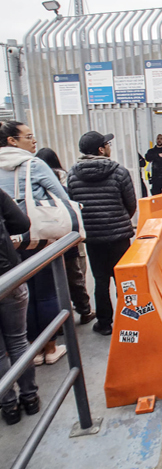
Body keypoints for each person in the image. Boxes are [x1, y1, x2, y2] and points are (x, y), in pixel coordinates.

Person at [0, 121, 69, 365]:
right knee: (46, 293)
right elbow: (62, 197)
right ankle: (49, 348)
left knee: (19, 293)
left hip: (6, 244)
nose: (34, 141)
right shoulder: (34, 165)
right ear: (12, 141)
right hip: (36, 239)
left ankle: (31, 350)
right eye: (29, 136)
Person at [67, 131, 137, 336]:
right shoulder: (119, 172)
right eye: (107, 144)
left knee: (100, 280)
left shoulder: (72, 174)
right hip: (118, 237)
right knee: (124, 281)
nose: (109, 147)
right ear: (100, 149)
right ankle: (129, 321)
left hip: (93, 238)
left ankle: (104, 323)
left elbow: (73, 205)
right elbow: (130, 205)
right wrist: (119, 220)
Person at [35, 147, 95, 326]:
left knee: (48, 283)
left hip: (43, 238)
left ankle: (58, 322)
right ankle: (84, 310)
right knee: (75, 274)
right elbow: (71, 202)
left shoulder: (30, 183)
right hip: (66, 234)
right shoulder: (64, 178)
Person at [0, 186, 38, 425]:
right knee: (17, 340)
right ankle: (30, 397)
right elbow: (22, 224)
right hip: (7, 276)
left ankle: (9, 406)